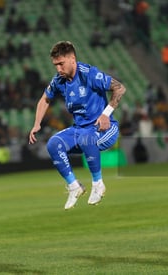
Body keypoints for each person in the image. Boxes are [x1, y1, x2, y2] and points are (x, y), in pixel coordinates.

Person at [29, 41, 126, 210]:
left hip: (105, 129)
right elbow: (45, 99)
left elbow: (120, 88)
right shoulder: (59, 80)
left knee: (86, 137)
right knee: (53, 144)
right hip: (80, 130)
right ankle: (74, 186)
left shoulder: (89, 74)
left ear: (72, 58)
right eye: (55, 65)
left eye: (61, 63)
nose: (58, 69)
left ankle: (98, 184)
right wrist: (37, 123)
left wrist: (106, 113)